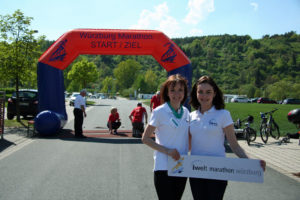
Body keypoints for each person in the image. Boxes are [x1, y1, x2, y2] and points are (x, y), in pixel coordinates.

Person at [189, 75, 266, 200]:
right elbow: (187, 145)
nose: (204, 96)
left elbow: (234, 145)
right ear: (196, 94)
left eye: (208, 92)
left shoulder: (223, 114)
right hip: (196, 170)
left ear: (214, 93)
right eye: (200, 92)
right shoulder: (191, 116)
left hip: (218, 170)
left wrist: (251, 162)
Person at [142, 74, 190, 200]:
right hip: (163, 166)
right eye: (172, 90)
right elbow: (145, 138)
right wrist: (167, 151)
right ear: (167, 93)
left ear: (185, 92)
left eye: (180, 90)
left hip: (181, 165)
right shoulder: (159, 111)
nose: (176, 94)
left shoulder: (186, 112)